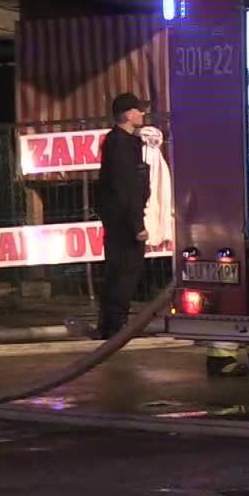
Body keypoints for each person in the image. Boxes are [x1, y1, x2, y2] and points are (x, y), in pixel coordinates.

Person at [97, 92, 150, 340]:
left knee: (117, 272)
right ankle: (116, 326)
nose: (142, 114)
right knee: (125, 273)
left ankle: (108, 325)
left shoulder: (117, 142)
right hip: (125, 223)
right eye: (139, 110)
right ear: (129, 114)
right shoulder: (122, 144)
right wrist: (137, 224)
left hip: (117, 220)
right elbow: (126, 187)